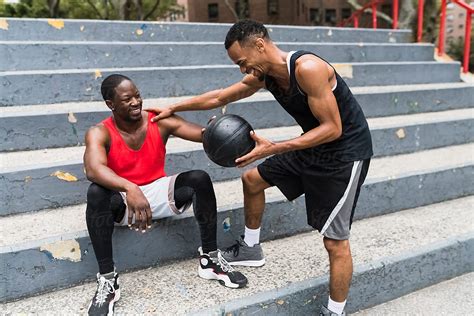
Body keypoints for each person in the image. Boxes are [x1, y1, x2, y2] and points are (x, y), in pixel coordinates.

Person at [149, 20, 373, 316]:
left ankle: (335, 311)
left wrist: (274, 148)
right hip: (311, 146)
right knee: (252, 179)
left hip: (343, 155)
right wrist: (174, 108)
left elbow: (333, 129)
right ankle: (251, 248)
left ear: (259, 45)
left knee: (335, 241)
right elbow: (220, 97)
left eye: (242, 62)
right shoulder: (265, 76)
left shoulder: (307, 68)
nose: (243, 70)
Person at [84, 74, 247, 316]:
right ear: (111, 104)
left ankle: (211, 259)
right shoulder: (99, 132)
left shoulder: (158, 121)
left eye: (137, 95)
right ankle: (108, 280)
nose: (136, 102)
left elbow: (201, 134)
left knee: (199, 179)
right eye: (127, 99)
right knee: (96, 192)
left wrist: (215, 131)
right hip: (124, 198)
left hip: (159, 192)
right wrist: (130, 188)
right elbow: (93, 169)